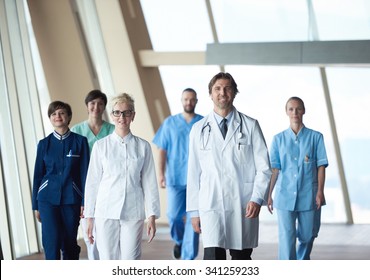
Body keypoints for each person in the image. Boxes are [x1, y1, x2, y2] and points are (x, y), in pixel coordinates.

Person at [186, 72, 272, 260]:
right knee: (213, 259)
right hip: (211, 204)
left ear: (234, 93)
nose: (222, 93)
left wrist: (257, 198)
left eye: (227, 88)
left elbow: (264, 168)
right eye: (217, 89)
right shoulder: (198, 129)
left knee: (241, 259)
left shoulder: (250, 125)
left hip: (243, 203)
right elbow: (193, 172)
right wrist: (194, 211)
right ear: (210, 94)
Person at [84, 93, 160, 260]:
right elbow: (92, 183)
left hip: (133, 212)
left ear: (133, 115)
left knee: (130, 260)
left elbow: (149, 183)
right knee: (107, 259)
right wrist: (89, 217)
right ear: (112, 115)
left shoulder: (143, 146)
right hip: (105, 212)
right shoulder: (101, 146)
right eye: (117, 112)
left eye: (127, 112)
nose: (122, 117)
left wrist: (152, 216)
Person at [267, 96, 328, 260]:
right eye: (291, 109)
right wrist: (269, 194)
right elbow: (274, 169)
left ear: (304, 111)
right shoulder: (278, 139)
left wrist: (320, 191)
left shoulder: (316, 137)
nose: (295, 112)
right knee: (286, 239)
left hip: (309, 194)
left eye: (298, 108)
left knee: (308, 235)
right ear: (286, 112)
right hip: (284, 195)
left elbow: (320, 166)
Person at [32, 101, 90, 260]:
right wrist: (35, 205)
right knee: (51, 243)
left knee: (69, 243)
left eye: (62, 113)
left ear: (69, 116)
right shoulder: (44, 144)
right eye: (53, 114)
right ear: (50, 118)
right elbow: (38, 175)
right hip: (46, 200)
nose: (58, 116)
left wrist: (85, 201)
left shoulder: (80, 142)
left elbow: (85, 174)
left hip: (71, 199)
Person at [152, 88, 203, 260]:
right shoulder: (169, 123)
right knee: (173, 216)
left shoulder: (203, 122)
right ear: (181, 101)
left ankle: (188, 258)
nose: (189, 102)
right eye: (186, 99)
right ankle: (179, 241)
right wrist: (161, 174)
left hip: (198, 180)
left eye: (192, 99)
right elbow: (162, 150)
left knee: (193, 219)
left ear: (196, 101)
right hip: (175, 177)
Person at [70, 89, 114, 260]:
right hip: (85, 187)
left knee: (106, 235)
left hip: (108, 186)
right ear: (87, 106)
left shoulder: (112, 130)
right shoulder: (77, 130)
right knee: (90, 236)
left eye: (100, 103)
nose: (96, 107)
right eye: (92, 103)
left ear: (104, 107)